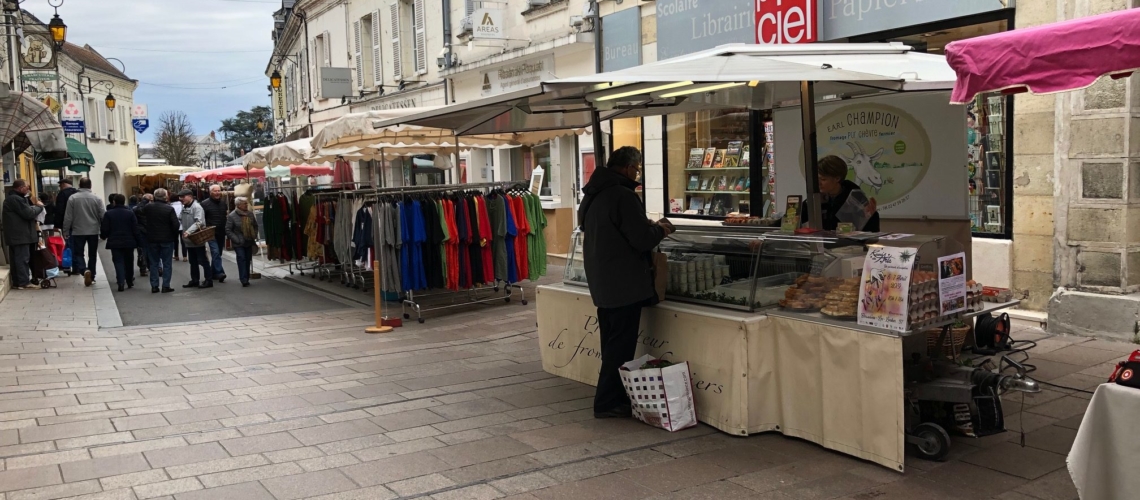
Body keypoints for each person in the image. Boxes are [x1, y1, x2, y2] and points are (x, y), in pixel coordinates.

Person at [578, 146, 674, 419]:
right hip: (623, 283)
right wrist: (661, 228)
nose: (637, 173)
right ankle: (607, 402)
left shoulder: (593, 194)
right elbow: (641, 239)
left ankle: (612, 397)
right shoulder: (623, 195)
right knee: (620, 346)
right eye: (637, 168)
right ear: (628, 168)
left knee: (611, 344)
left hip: (602, 281)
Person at [799, 155, 880, 232]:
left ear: (837, 178)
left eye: (823, 179)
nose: (818, 183)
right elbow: (794, 222)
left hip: (850, 245)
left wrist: (870, 217)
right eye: (817, 179)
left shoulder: (855, 199)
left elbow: (872, 234)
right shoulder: (816, 197)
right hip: (822, 245)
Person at [62, 177, 106, 287]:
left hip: (78, 230)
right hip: (93, 230)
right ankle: (92, 275)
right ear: (90, 186)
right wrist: (104, 229)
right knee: (92, 254)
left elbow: (68, 217)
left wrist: (66, 230)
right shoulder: (97, 198)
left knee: (78, 253)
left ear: (79, 185)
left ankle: (83, 270)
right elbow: (103, 215)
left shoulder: (73, 198)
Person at [3, 180, 45, 290]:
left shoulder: (17, 198)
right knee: (22, 259)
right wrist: (39, 207)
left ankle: (19, 282)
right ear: (20, 187)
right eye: (27, 187)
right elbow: (28, 213)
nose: (29, 189)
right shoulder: (15, 199)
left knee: (19, 258)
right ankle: (23, 282)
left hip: (18, 234)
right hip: (20, 235)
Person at [142, 188, 180, 293]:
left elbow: (141, 218)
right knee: (167, 263)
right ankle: (165, 285)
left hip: (152, 238)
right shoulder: (169, 209)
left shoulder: (148, 207)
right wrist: (172, 234)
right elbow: (175, 225)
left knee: (154, 263)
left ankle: (154, 286)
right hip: (167, 239)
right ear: (165, 196)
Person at [100, 194, 141, 292]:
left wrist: (103, 236)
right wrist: (138, 240)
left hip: (115, 241)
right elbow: (135, 228)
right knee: (129, 261)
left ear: (114, 202)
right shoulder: (130, 213)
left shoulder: (109, 213)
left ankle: (121, 282)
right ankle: (130, 280)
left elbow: (105, 228)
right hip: (129, 241)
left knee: (118, 261)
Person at [178, 189, 213, 289]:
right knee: (192, 261)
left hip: (197, 238)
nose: (181, 199)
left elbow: (200, 222)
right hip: (189, 239)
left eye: (183, 197)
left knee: (202, 260)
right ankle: (195, 280)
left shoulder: (197, 207)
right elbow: (181, 217)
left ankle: (208, 280)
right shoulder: (185, 206)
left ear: (190, 196)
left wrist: (189, 231)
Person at [225, 196, 259, 287]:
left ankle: (246, 277)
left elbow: (255, 226)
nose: (246, 205)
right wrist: (236, 239)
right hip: (239, 243)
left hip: (249, 241)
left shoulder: (250, 214)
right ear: (238, 205)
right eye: (244, 204)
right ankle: (243, 279)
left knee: (248, 259)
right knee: (241, 259)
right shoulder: (232, 216)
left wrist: (254, 235)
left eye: (246, 203)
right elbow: (228, 230)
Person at [200, 184, 228, 283]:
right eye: (215, 191)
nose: (217, 193)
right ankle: (220, 272)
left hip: (221, 232)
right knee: (215, 252)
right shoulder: (204, 204)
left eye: (218, 191)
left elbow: (224, 217)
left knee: (218, 253)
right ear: (210, 192)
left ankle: (213, 273)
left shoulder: (223, 204)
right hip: (210, 232)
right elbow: (202, 219)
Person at [53, 179, 76, 272]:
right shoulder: (77, 193)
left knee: (69, 244)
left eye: (60, 185)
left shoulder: (62, 194)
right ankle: (77, 266)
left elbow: (60, 210)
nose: (60, 187)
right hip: (78, 224)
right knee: (76, 245)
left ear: (64, 185)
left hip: (67, 224)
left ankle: (69, 265)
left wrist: (57, 225)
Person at [133, 194, 152, 277]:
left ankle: (143, 268)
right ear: (150, 200)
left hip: (140, 231)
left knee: (141, 250)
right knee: (151, 250)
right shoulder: (151, 208)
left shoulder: (135, 208)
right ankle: (152, 266)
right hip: (150, 231)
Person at [170, 196, 186, 261]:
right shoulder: (183, 206)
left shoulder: (170, 207)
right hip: (182, 225)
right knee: (183, 241)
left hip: (174, 226)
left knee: (175, 241)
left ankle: (176, 255)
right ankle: (185, 256)